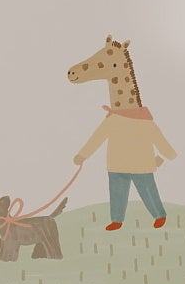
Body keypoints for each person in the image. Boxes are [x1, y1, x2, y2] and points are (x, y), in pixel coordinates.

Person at [73, 72, 173, 228]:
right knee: (117, 193)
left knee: (147, 190)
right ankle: (117, 219)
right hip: (117, 163)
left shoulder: (144, 121)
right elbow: (97, 137)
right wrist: (83, 155)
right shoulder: (113, 120)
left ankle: (159, 214)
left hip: (141, 164)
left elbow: (158, 138)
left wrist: (167, 154)